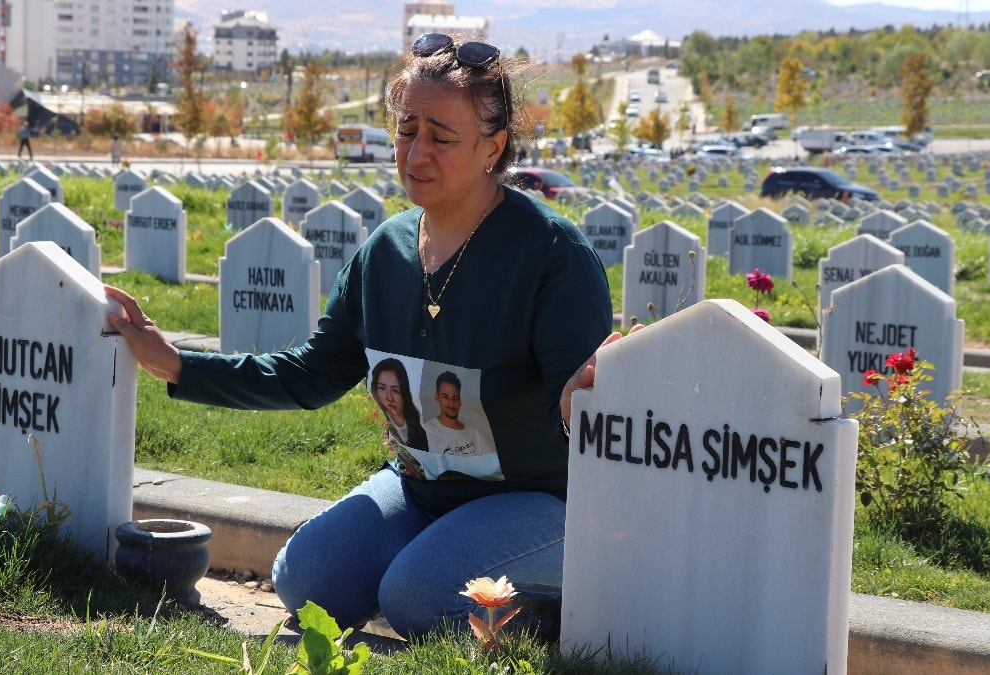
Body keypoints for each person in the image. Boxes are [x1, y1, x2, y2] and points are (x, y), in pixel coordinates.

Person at [105, 31, 612, 638]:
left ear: (493, 147)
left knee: (416, 599)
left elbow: (581, 412)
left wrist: (580, 404)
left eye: (442, 137)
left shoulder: (552, 255)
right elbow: (311, 375)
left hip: (539, 502)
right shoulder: (384, 253)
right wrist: (178, 365)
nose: (416, 153)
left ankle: (558, 603)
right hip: (422, 492)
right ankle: (440, 558)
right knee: (307, 581)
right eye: (406, 130)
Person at [424, 370, 483, 456]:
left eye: (455, 398)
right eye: (445, 397)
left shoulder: (474, 434)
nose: (451, 404)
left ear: (460, 401)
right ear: (437, 397)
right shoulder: (427, 431)